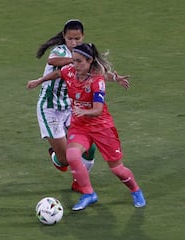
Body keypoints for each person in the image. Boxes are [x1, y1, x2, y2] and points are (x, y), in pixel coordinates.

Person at [27, 43, 146, 211]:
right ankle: (89, 194)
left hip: (102, 128)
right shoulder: (71, 71)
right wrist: (39, 81)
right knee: (72, 155)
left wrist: (83, 110)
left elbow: (98, 110)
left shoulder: (96, 81)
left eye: (79, 62)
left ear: (89, 61)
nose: (74, 65)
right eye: (74, 61)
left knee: (118, 169)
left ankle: (135, 190)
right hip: (80, 126)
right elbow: (57, 73)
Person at [33, 19, 130, 193]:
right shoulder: (60, 51)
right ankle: (56, 155)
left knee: (88, 148)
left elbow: (95, 73)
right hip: (50, 109)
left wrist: (115, 78)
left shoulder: (84, 55)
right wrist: (78, 57)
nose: (74, 42)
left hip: (71, 107)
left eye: (77, 39)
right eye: (70, 39)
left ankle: (79, 183)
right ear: (64, 37)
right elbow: (51, 61)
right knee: (64, 161)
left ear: (83, 36)